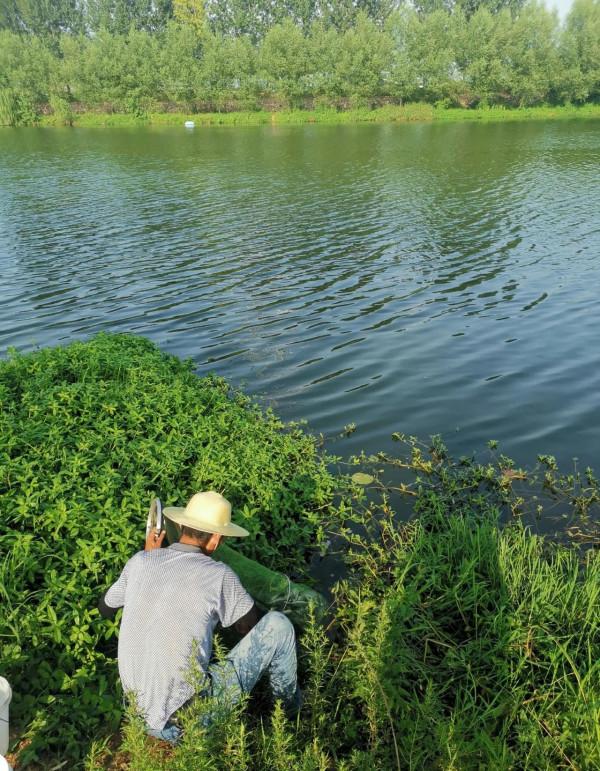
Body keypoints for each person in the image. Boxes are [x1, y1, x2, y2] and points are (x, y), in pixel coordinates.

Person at [99, 490, 300, 743]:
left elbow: (105, 608)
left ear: (182, 525)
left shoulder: (141, 561)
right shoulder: (219, 575)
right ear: (215, 540)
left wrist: (149, 556)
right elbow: (250, 626)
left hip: (135, 712)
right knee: (278, 626)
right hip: (187, 723)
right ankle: (289, 718)